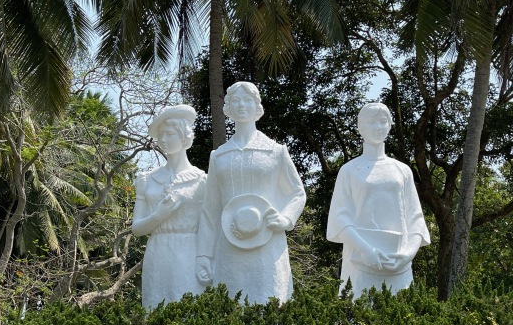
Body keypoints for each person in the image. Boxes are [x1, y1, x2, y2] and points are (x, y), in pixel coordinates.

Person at [196, 82, 306, 304]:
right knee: (231, 307)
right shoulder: (218, 156)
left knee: (270, 303)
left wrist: (286, 218)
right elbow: (211, 210)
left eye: (247, 100)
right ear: (228, 108)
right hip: (229, 246)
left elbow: (297, 192)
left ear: (257, 106)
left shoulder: (276, 151)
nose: (241, 105)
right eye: (235, 100)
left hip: (269, 244)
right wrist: (204, 255)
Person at [327, 102, 430, 295]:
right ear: (361, 127)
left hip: (398, 261)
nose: (378, 127)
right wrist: (365, 250)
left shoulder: (402, 170)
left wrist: (408, 253)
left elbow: (415, 217)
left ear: (390, 125)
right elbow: (340, 218)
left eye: (383, 121)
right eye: (372, 122)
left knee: (400, 310)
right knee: (359, 307)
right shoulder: (349, 170)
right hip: (360, 262)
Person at [131, 104, 207, 309]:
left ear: (184, 136)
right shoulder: (146, 179)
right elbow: (136, 229)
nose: (163, 139)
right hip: (158, 252)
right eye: (161, 134)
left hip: (189, 253)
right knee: (155, 309)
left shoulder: (201, 181)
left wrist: (206, 260)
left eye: (170, 134)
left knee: (189, 309)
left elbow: (209, 228)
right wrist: (159, 216)